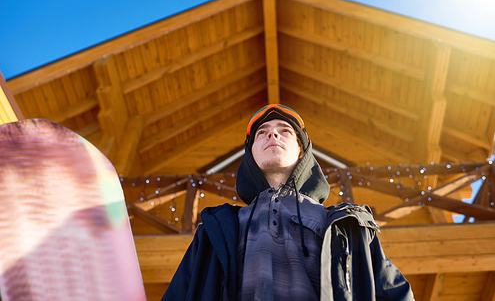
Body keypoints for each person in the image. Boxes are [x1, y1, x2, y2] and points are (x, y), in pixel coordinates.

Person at [162, 104, 414, 301]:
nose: (272, 133)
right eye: (262, 132)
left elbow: (394, 294)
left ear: (301, 151)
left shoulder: (348, 226)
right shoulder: (214, 229)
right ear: (251, 154)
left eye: (285, 130)